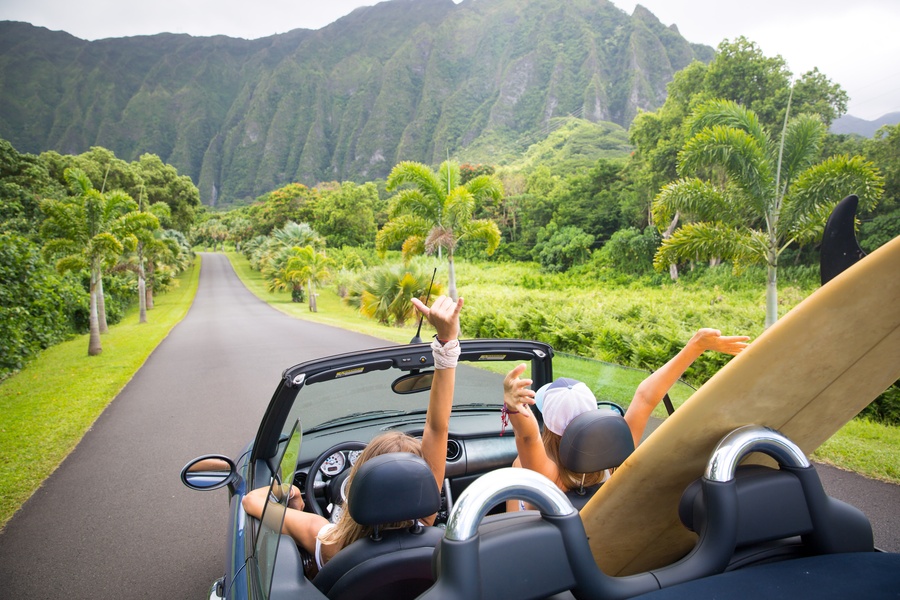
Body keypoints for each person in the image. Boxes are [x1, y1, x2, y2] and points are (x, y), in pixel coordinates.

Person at [242, 294, 464, 574]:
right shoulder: (431, 528)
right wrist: (447, 340)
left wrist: (290, 491)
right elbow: (437, 426)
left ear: (357, 483)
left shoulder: (329, 541)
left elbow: (251, 501)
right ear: (423, 487)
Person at [502, 328, 749, 511]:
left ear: (549, 424)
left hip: (544, 555)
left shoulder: (545, 474)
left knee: (516, 469)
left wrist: (513, 405)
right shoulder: (615, 457)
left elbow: (528, 437)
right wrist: (695, 346)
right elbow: (645, 398)